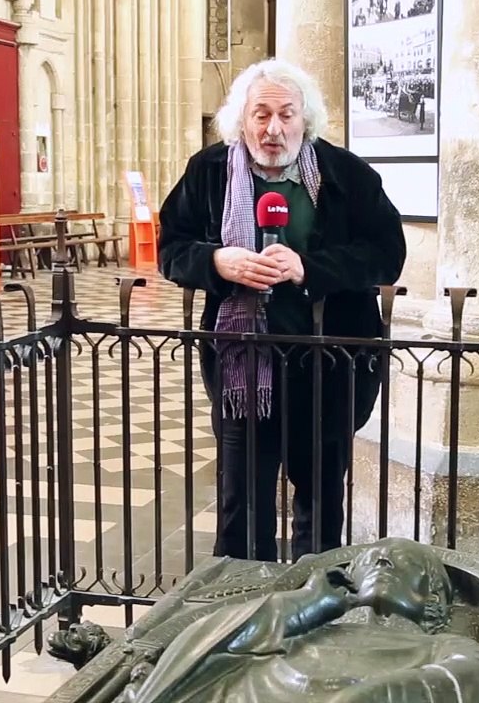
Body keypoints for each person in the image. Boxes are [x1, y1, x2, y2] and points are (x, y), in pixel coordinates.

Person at [156, 59, 406, 562]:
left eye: (286, 115)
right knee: (242, 498)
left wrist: (308, 268)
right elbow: (171, 246)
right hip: (244, 362)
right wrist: (216, 260)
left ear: (305, 120)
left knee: (320, 496)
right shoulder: (208, 172)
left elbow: (386, 255)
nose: (274, 129)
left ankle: (316, 598)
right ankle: (243, 601)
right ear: (242, 120)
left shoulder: (347, 175)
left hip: (329, 363)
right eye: (261, 114)